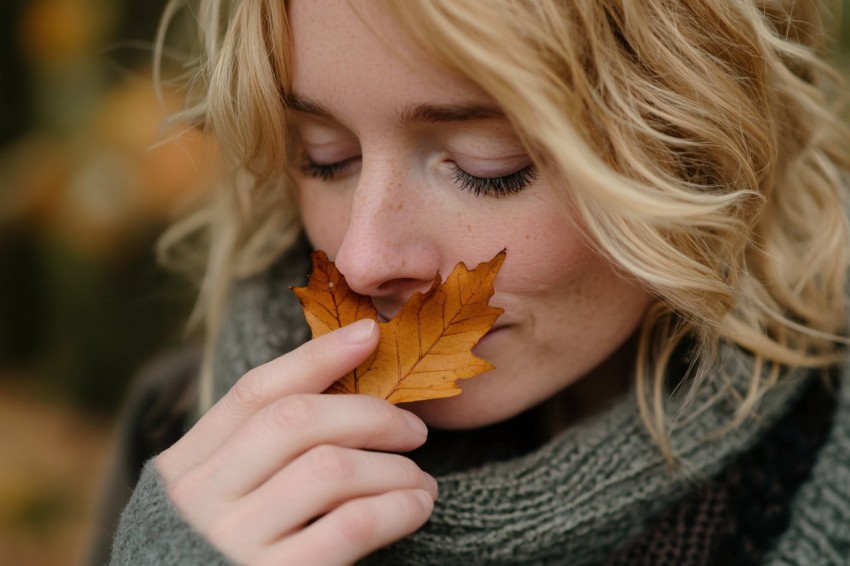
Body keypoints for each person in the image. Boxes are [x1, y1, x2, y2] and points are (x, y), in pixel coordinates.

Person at [99, 0, 850, 564]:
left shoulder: (816, 472)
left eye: (490, 163)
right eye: (323, 155)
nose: (362, 259)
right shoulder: (181, 438)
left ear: (695, 149)